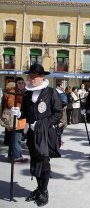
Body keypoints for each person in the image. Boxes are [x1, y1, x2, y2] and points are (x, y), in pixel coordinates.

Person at [14, 63, 62, 206]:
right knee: (35, 161)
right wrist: (19, 113)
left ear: (42, 77)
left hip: (46, 134)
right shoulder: (28, 93)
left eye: (33, 76)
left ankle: (44, 191)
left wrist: (41, 124)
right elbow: (25, 112)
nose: (31, 79)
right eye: (30, 76)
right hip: (31, 134)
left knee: (44, 162)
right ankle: (39, 188)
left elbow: (57, 114)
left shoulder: (51, 92)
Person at [6, 77, 27, 162]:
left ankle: (11, 155)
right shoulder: (13, 92)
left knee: (14, 138)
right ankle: (17, 156)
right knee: (17, 138)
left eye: (22, 82)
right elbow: (11, 104)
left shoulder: (24, 92)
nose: (21, 84)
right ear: (16, 84)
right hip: (15, 119)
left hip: (21, 119)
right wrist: (22, 108)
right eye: (19, 83)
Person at [56, 81, 68, 147]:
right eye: (63, 85)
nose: (63, 86)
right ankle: (58, 140)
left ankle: (59, 140)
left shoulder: (62, 92)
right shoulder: (57, 92)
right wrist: (64, 105)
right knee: (59, 125)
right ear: (60, 85)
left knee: (62, 125)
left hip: (62, 110)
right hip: (59, 111)